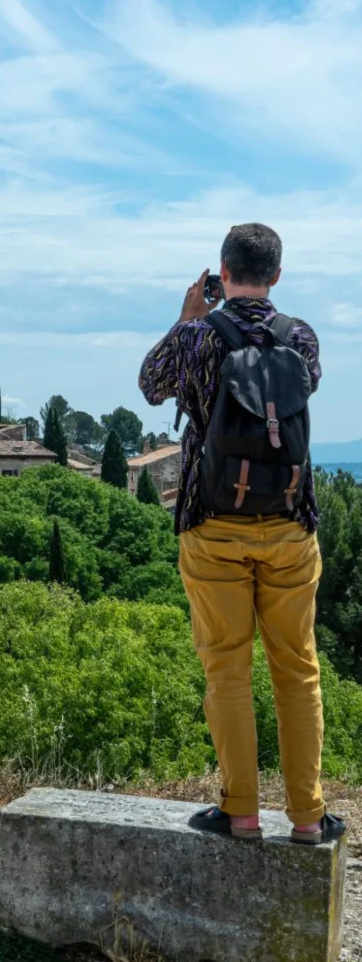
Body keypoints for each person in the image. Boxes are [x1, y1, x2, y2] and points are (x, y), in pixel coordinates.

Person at [139, 222, 345, 845]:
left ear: (221, 272)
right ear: (276, 276)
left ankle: (242, 812)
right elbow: (302, 390)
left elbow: (152, 387)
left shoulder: (200, 336)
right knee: (299, 671)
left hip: (213, 525)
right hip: (288, 523)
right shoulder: (300, 337)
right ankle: (308, 818)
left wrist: (184, 318)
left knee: (227, 669)